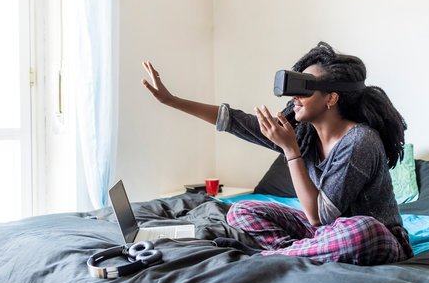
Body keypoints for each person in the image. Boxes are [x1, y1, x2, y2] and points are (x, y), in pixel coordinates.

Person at [141, 42, 414, 265]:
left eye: (305, 89)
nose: (294, 97)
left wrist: (290, 151)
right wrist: (171, 100)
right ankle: (304, 251)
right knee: (241, 210)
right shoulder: (304, 133)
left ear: (332, 98)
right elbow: (238, 122)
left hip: (375, 236)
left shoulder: (360, 140)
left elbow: (321, 216)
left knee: (359, 231)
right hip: (323, 233)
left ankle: (271, 255)